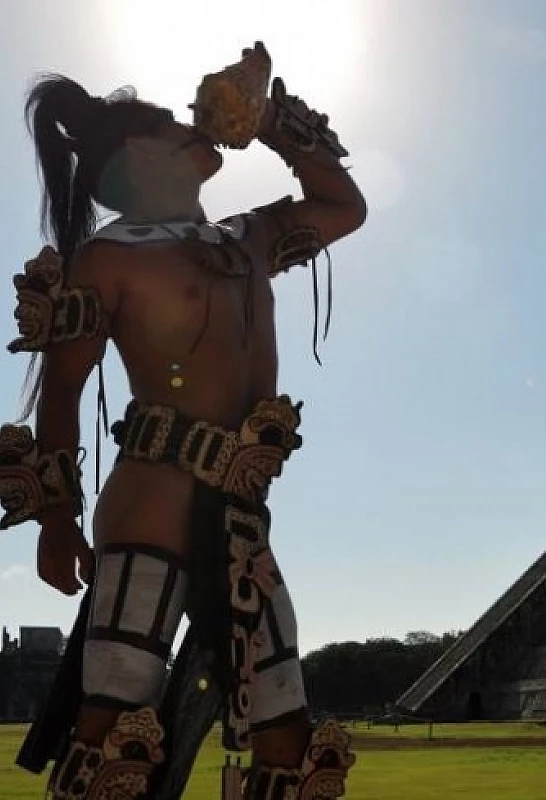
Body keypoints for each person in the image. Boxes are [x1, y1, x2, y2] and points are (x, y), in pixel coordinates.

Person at [1, 43, 366, 799]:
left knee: (289, 739)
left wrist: (271, 121)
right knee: (113, 730)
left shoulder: (250, 237)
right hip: (150, 506)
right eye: (174, 123)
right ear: (140, 154)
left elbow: (343, 208)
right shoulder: (106, 259)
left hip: (241, 518)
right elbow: (64, 392)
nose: (194, 127)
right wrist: (56, 520)